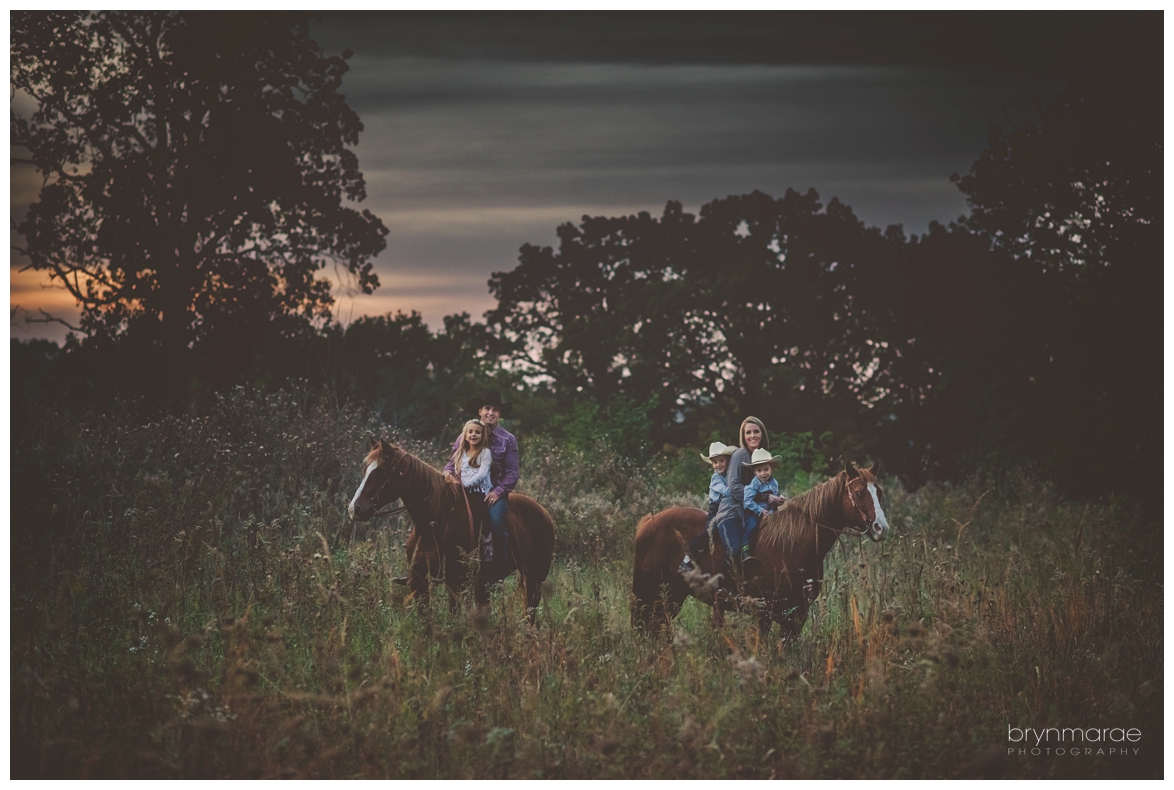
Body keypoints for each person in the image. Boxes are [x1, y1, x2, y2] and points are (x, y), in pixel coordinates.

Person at [443, 390, 519, 575]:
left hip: (492, 490)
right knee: (437, 514)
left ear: (500, 414)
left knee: (495, 522)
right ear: (480, 411)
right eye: (487, 408)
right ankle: (430, 562)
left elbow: (512, 473)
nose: (490, 413)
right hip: (463, 488)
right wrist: (447, 472)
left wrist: (497, 492)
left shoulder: (507, 440)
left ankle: (499, 569)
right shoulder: (466, 434)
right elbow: (452, 461)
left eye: (495, 410)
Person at [722, 416, 786, 569]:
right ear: (743, 436)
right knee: (735, 549)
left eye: (756, 431)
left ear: (762, 433)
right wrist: (765, 497)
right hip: (734, 508)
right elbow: (734, 487)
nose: (752, 436)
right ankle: (723, 582)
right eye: (748, 432)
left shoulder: (762, 456)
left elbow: (767, 486)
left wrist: (776, 499)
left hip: (757, 508)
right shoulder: (739, 455)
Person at [678, 442, 736, 573]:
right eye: (715, 462)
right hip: (716, 506)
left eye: (721, 460)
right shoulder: (716, 478)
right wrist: (739, 490)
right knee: (709, 532)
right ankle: (687, 560)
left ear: (727, 460)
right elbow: (726, 491)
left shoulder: (730, 474)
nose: (718, 465)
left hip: (727, 506)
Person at [449, 419, 494, 559]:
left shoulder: (485, 453)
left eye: (477, 432)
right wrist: (454, 481)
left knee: (478, 516)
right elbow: (456, 470)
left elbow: (482, 474)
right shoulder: (461, 453)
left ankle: (486, 548)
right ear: (465, 435)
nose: (473, 435)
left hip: (478, 491)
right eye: (470, 432)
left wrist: (466, 484)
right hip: (461, 490)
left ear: (482, 436)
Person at [741, 448, 782, 560]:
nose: (763, 473)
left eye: (766, 469)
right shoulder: (754, 483)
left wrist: (779, 499)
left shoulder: (774, 482)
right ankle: (745, 548)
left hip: (769, 510)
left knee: (779, 525)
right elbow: (747, 501)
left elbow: (774, 496)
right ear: (755, 472)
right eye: (759, 470)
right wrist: (760, 511)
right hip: (754, 510)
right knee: (752, 525)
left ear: (771, 468)